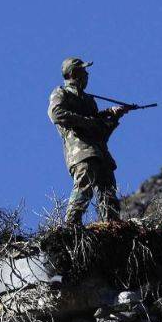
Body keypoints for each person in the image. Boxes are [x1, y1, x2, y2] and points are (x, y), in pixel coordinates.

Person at [48, 57, 131, 225]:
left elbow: (101, 133)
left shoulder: (89, 101)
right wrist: (88, 121)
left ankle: (111, 227)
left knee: (108, 192)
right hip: (81, 153)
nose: (87, 75)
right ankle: (71, 226)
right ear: (73, 73)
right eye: (83, 71)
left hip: (100, 153)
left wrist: (113, 118)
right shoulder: (61, 93)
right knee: (84, 187)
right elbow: (56, 114)